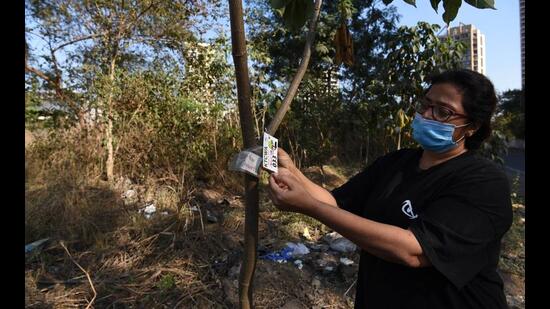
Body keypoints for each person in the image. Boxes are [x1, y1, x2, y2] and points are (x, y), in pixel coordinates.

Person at [267, 69, 513, 308]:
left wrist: (310, 208)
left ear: (473, 127)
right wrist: (294, 173)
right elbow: (334, 202)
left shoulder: (483, 182)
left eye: (443, 112)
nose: (427, 115)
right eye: (426, 105)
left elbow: (413, 251)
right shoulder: (396, 163)